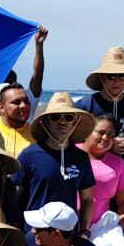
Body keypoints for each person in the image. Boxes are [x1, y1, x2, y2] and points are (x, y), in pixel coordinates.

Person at [15, 92, 92, 222]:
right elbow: (15, 196)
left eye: (68, 117)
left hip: (67, 234)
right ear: (47, 122)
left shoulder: (81, 157)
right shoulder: (28, 155)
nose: (62, 121)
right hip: (34, 233)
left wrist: (84, 231)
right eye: (55, 117)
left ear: (75, 123)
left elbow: (87, 199)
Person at [74, 47, 124, 167]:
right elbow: (71, 140)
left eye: (123, 76)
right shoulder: (85, 105)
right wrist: (108, 144)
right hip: (91, 173)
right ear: (102, 77)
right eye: (111, 76)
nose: (117, 81)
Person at [77, 115, 124, 231]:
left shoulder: (119, 164)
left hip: (100, 230)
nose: (105, 138)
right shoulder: (69, 155)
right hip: (64, 229)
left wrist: (122, 223)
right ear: (88, 131)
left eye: (110, 135)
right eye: (101, 132)